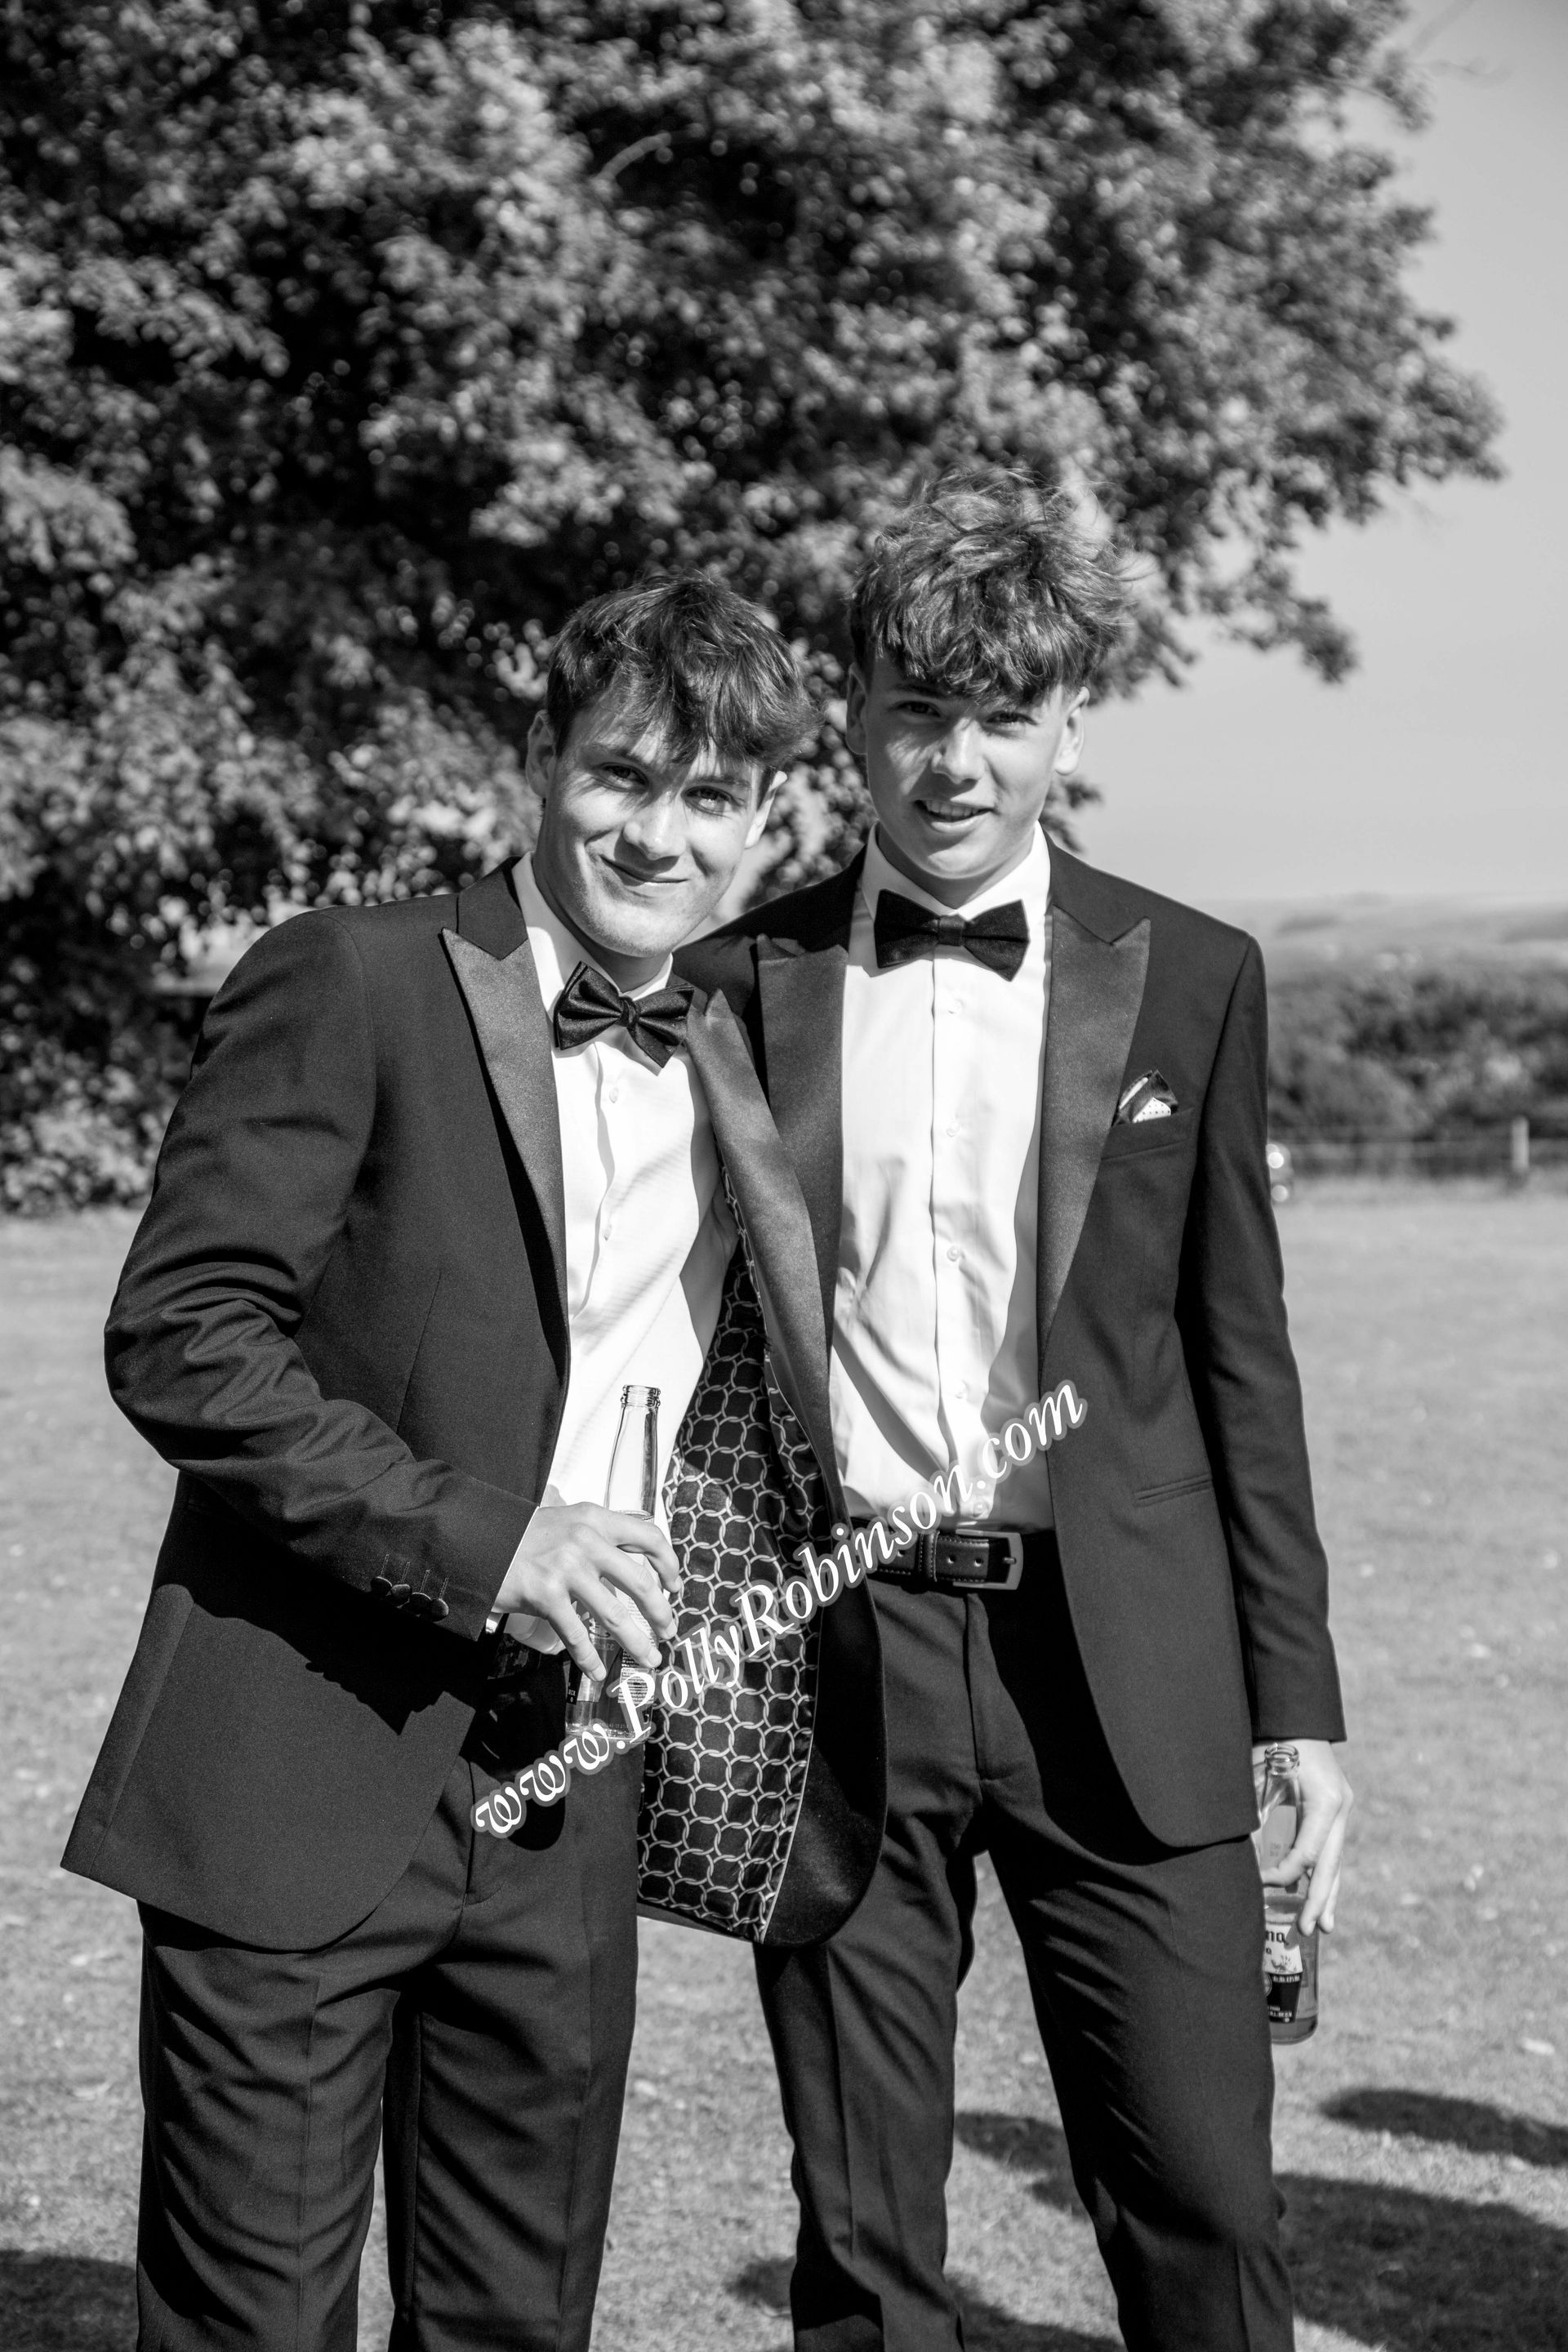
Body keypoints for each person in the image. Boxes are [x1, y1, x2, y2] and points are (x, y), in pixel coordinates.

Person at [61, 574, 871, 2352]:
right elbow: (184, 1333)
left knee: (519, 2318)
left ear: (763, 820)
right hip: (299, 1754)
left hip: (571, 1777)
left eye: (711, 798)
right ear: (542, 759)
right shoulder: (350, 977)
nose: (658, 834)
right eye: (623, 776)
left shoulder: (741, 1051)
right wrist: (489, 1541)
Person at [679, 465, 1354, 2352]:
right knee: (865, 2239)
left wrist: (1299, 1702)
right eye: (915, 711)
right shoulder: (733, 980)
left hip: (1127, 1659)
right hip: (841, 1661)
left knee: (1207, 2204)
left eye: (1001, 716)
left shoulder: (1196, 975)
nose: (954, 762)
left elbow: (1242, 1356)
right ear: (853, 716)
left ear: (1073, 723)